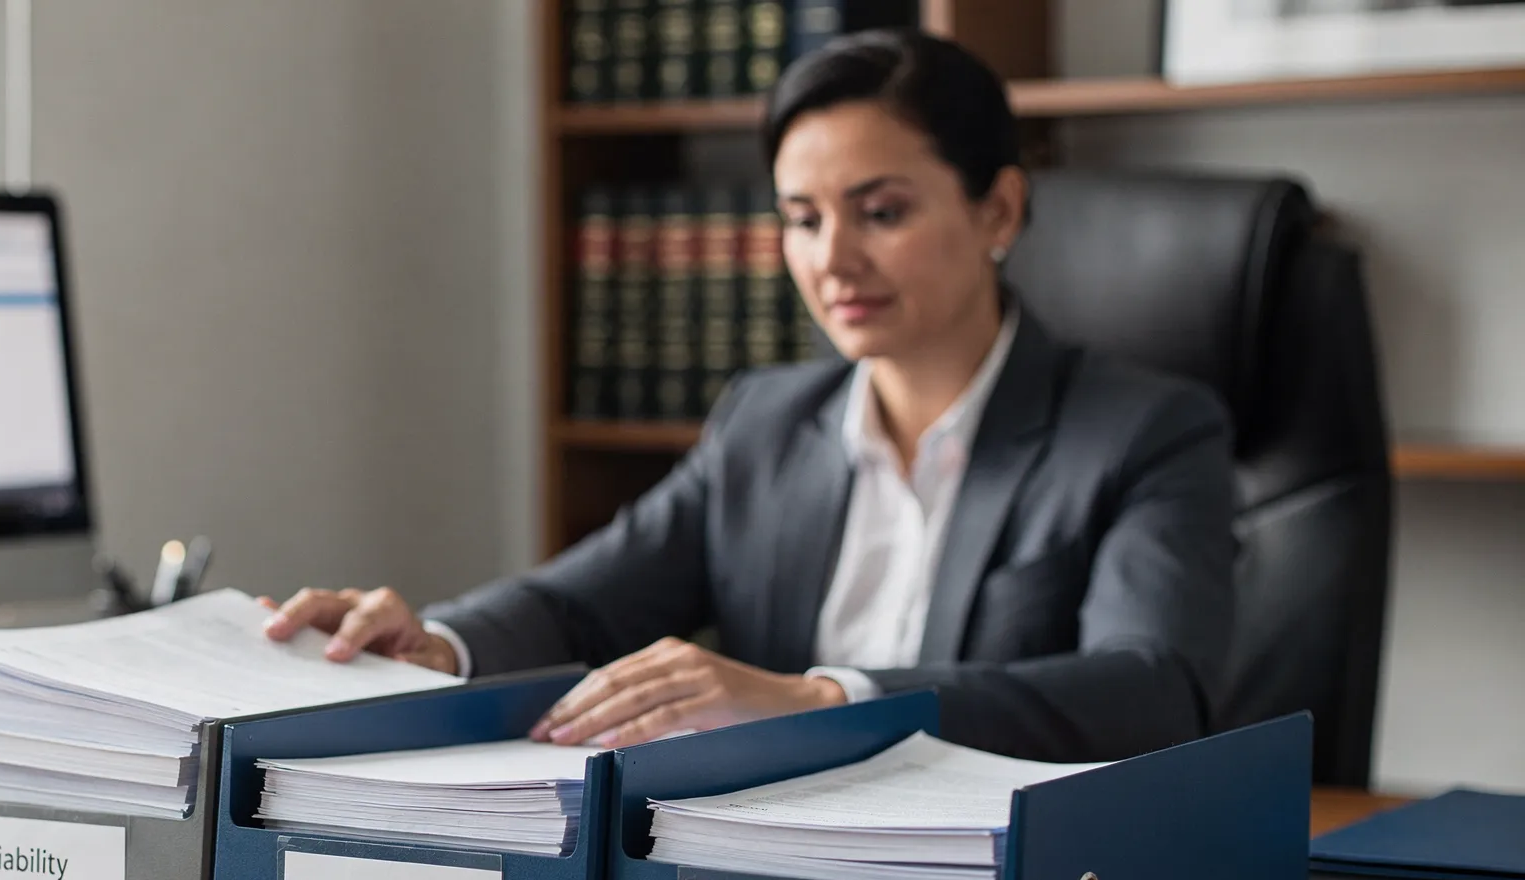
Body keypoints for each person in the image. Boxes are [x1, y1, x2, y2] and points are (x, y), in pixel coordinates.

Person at [263, 28, 1235, 763]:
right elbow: (579, 606)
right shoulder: (765, 424)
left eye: (880, 213)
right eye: (801, 220)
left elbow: (1147, 691)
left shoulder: (1141, 433)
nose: (831, 260)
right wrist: (439, 643)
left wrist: (819, 701)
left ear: (999, 209)